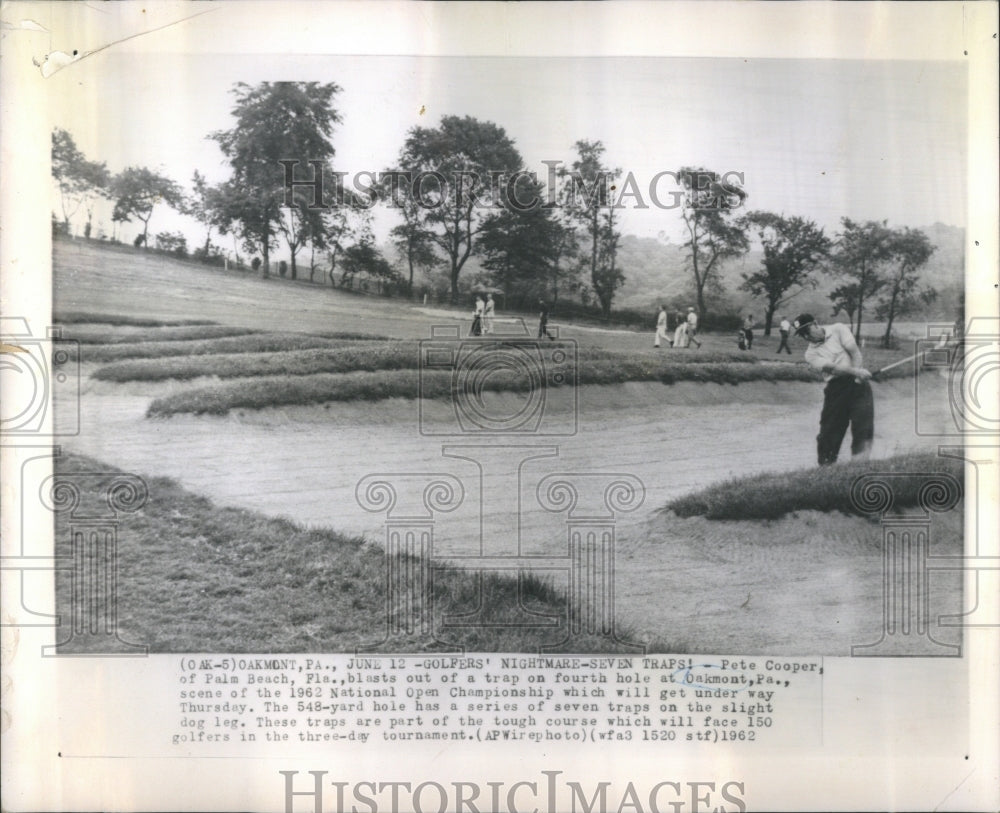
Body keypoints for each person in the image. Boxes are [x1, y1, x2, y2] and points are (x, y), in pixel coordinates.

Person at [794, 313, 874, 466]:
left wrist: (857, 375)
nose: (806, 337)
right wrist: (856, 372)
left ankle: (860, 466)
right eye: (802, 335)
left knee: (863, 427)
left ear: (816, 324)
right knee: (829, 431)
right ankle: (826, 467)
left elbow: (855, 352)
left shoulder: (838, 329)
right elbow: (833, 369)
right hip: (836, 389)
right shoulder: (810, 354)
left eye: (807, 331)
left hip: (859, 386)